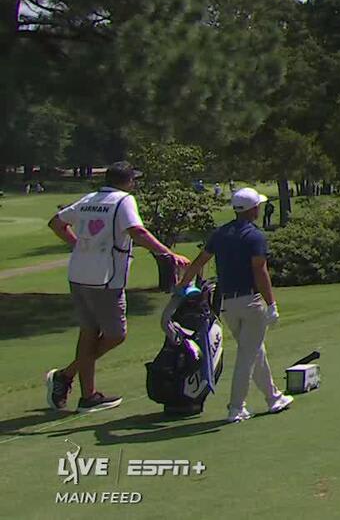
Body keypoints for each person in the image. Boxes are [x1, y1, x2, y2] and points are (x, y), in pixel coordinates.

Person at [43, 162, 189, 413]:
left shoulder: (89, 198)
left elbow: (57, 223)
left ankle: (88, 396)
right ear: (128, 181)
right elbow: (137, 231)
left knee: (88, 333)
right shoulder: (124, 200)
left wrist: (78, 245)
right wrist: (168, 253)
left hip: (78, 274)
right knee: (115, 335)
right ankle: (67, 375)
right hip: (105, 279)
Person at [174, 187, 292, 422]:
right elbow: (260, 271)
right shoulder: (255, 236)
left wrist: (182, 284)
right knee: (247, 355)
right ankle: (236, 407)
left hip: (227, 303)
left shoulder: (221, 233)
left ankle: (273, 397)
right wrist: (272, 304)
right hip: (251, 302)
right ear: (253, 210)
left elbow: (199, 262)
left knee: (255, 351)